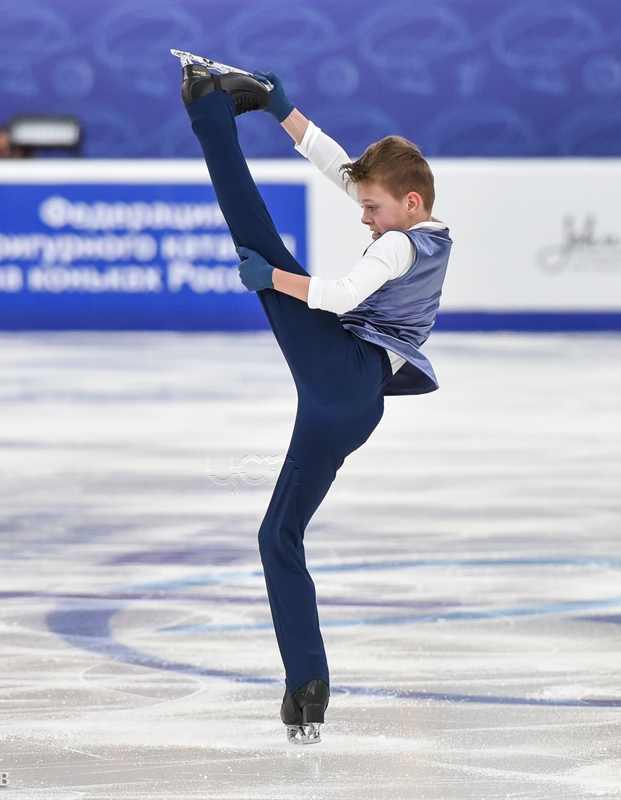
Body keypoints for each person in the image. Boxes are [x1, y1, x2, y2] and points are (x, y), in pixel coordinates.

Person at [180, 56, 451, 744]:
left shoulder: (395, 248)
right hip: (358, 403)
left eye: (373, 211)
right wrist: (282, 110)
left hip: (345, 370)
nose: (364, 219)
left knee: (257, 237)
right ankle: (308, 684)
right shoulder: (426, 231)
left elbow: (337, 295)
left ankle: (209, 112)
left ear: (409, 205)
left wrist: (270, 277)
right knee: (279, 535)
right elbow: (347, 172)